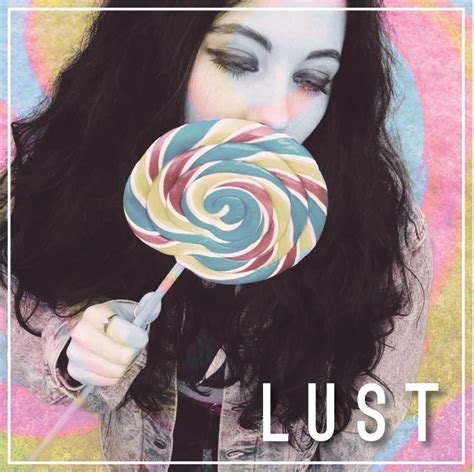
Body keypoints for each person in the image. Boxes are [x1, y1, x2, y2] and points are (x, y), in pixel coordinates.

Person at [1, 0, 433, 470]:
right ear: (161, 49)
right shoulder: (81, 181)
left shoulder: (382, 234)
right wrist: (75, 346)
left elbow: (371, 411)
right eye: (239, 61)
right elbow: (19, 303)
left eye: (311, 80)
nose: (277, 115)